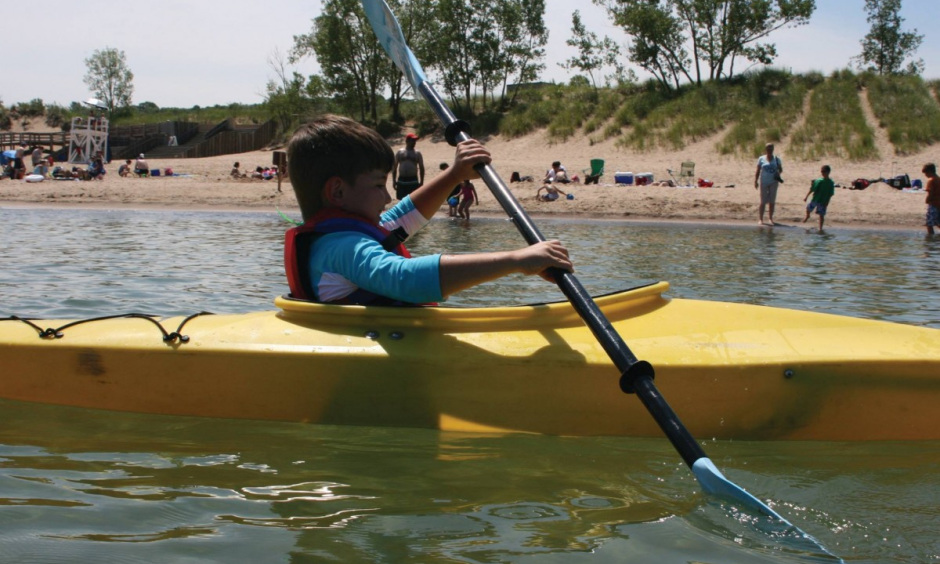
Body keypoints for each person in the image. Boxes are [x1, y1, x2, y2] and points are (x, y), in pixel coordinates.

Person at [284, 114, 571, 306]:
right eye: (377, 185)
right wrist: (516, 260)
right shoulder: (343, 248)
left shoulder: (343, 237)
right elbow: (405, 278)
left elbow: (404, 216)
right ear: (338, 192)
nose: (387, 196)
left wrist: (456, 174)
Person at [754, 143, 783, 225]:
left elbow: (780, 169)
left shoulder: (777, 159)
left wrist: (778, 173)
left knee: (772, 201)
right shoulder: (761, 159)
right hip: (764, 181)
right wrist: (755, 181)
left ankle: (770, 218)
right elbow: (758, 170)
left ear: (773, 149)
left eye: (771, 148)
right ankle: (761, 219)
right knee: (763, 201)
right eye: (768, 148)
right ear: (765, 149)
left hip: (773, 182)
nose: (769, 150)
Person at [393, 132, 425, 200]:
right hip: (401, 180)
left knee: (412, 200)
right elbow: (394, 167)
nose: (414, 142)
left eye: (415, 141)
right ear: (407, 141)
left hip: (413, 180)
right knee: (401, 200)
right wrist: (394, 181)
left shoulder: (417, 153)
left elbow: (421, 168)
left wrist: (421, 182)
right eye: (412, 140)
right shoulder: (400, 152)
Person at [803, 165, 835, 232]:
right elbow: (812, 189)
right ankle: (807, 216)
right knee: (808, 209)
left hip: (823, 201)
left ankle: (820, 228)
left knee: (821, 215)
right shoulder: (819, 180)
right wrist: (806, 197)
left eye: (824, 171)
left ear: (828, 172)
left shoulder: (831, 182)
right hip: (815, 199)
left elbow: (830, 194)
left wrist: (827, 202)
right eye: (821, 172)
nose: (822, 173)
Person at [923, 163, 940, 235]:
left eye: (925, 173)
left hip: (933, 204)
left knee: (929, 223)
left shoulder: (931, 181)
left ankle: (930, 237)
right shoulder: (938, 179)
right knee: (938, 221)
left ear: (929, 172)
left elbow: (930, 193)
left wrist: (927, 200)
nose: (925, 175)